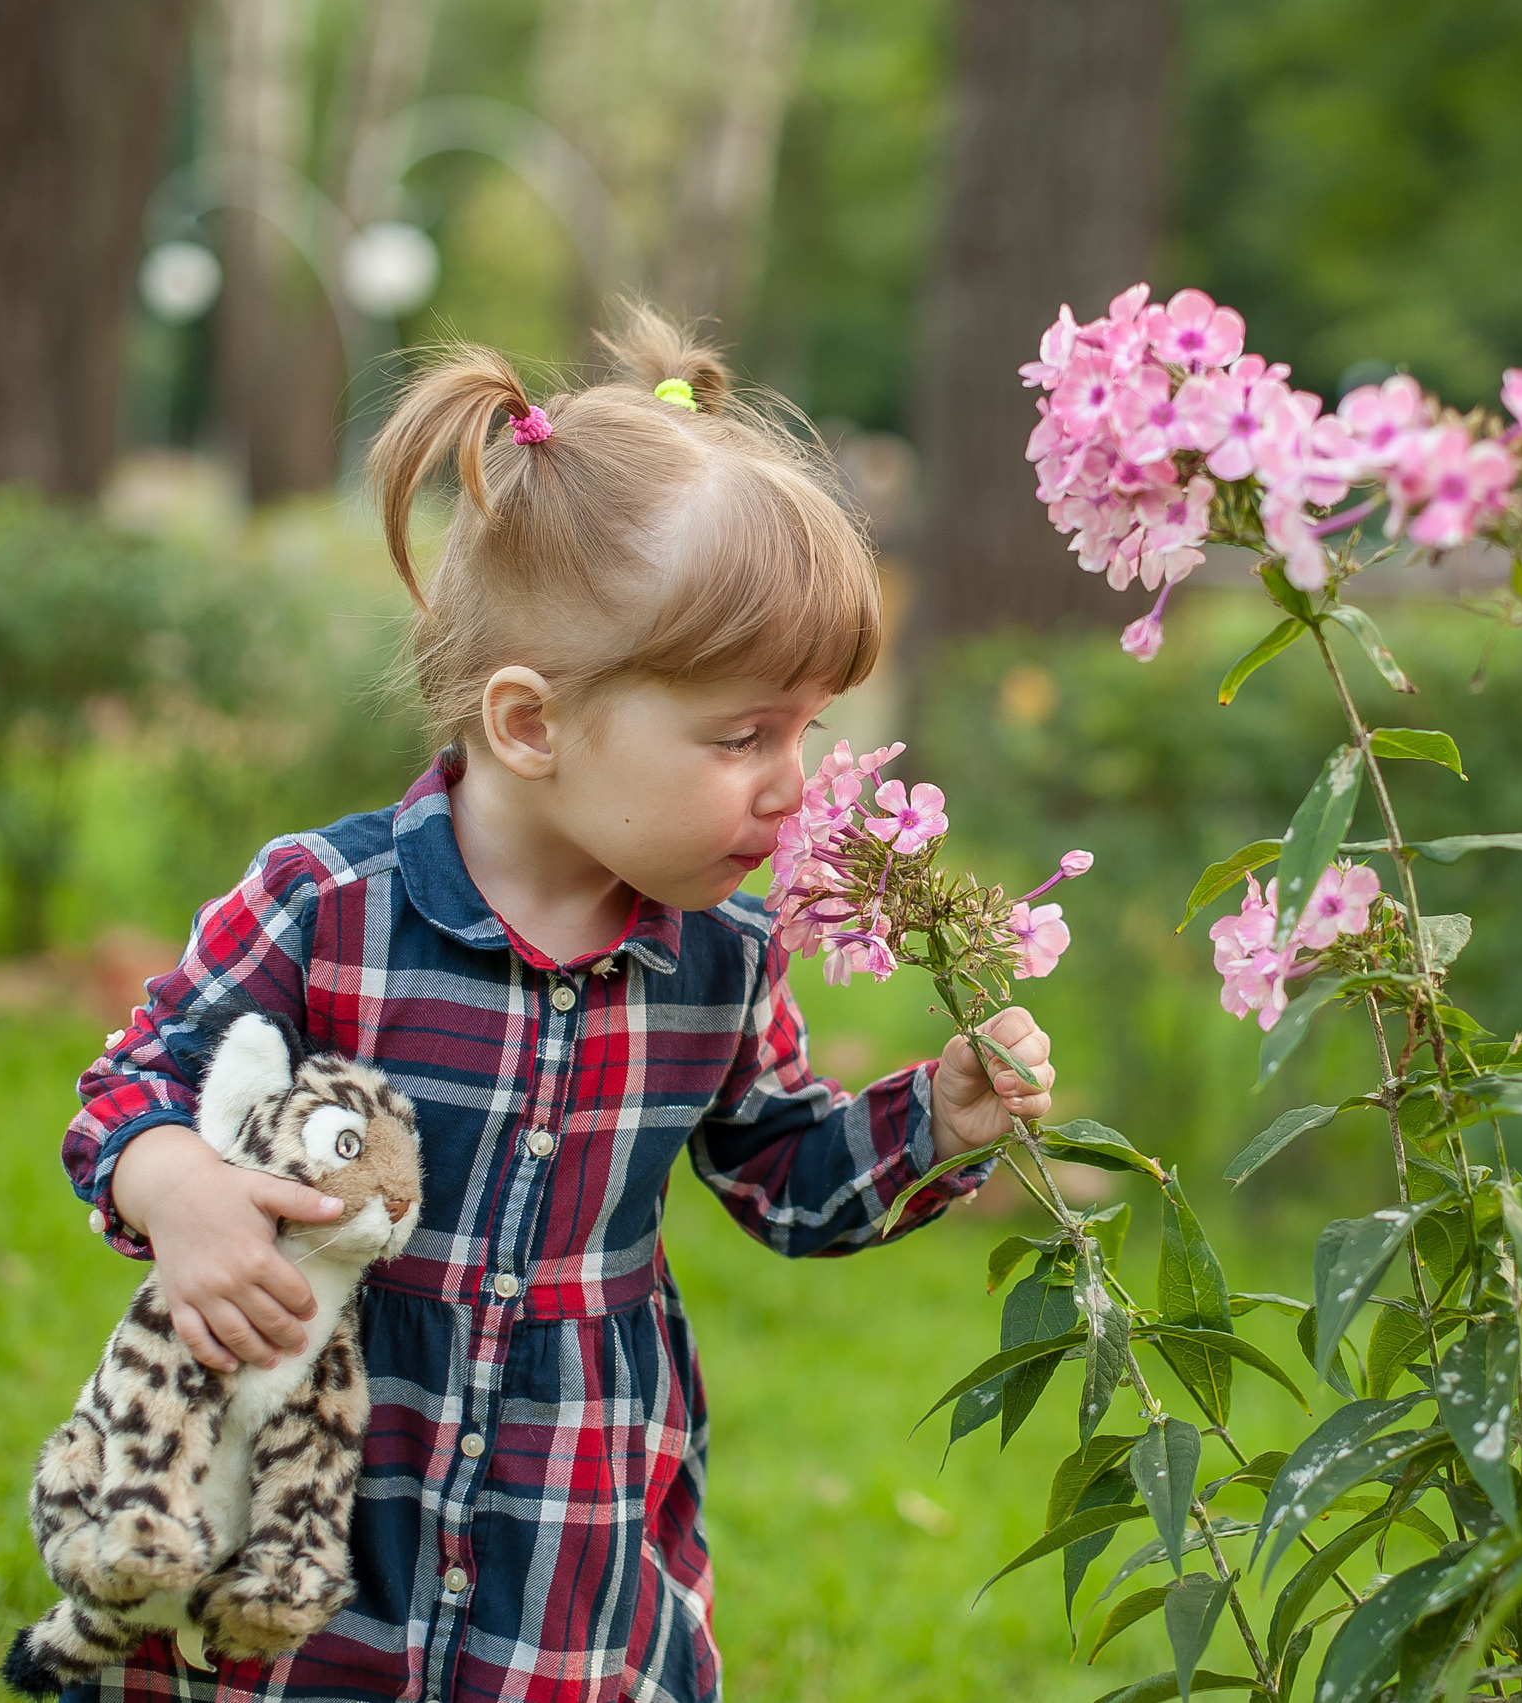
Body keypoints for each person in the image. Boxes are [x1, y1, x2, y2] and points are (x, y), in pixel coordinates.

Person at [60, 308, 1056, 1702]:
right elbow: (133, 1085)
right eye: (742, 736)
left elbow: (781, 1174)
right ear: (530, 725)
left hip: (567, 1498)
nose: (794, 785)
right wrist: (177, 1190)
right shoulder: (325, 907)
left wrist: (932, 1123)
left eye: (808, 732)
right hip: (324, 1456)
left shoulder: (721, 956)